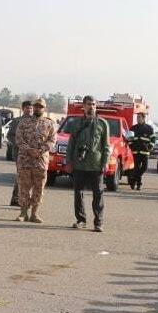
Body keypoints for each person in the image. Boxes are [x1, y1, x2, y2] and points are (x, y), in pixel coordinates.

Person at [68, 95, 110, 231]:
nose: (91, 107)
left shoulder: (102, 123)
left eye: (93, 104)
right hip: (79, 163)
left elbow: (106, 146)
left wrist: (105, 162)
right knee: (78, 193)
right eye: (88, 104)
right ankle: (81, 220)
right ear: (83, 106)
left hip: (96, 164)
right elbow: (71, 143)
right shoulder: (77, 123)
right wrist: (69, 161)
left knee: (98, 194)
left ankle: (98, 222)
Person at [14, 98, 57, 223]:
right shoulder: (24, 122)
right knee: (24, 187)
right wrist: (29, 150)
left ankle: (34, 213)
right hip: (25, 159)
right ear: (33, 107)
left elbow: (52, 140)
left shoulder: (50, 123)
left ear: (44, 108)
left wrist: (40, 150)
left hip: (40, 160)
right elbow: (18, 139)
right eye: (36, 106)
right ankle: (23, 213)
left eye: (40, 106)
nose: (38, 108)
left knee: (39, 188)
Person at [6, 99, 32, 205]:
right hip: (19, 153)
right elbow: (10, 135)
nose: (29, 110)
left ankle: (24, 198)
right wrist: (20, 144)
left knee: (29, 177)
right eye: (27, 108)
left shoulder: (35, 121)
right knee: (20, 175)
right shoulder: (17, 121)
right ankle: (15, 198)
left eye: (31, 108)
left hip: (31, 154)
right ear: (23, 109)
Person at [127, 111, 154, 191]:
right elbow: (129, 139)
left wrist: (150, 147)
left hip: (145, 152)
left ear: (143, 118)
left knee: (144, 168)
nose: (138, 119)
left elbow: (153, 139)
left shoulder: (149, 128)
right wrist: (131, 146)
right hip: (135, 151)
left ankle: (133, 180)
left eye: (139, 117)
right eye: (137, 117)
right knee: (136, 168)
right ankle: (138, 184)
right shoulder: (133, 128)